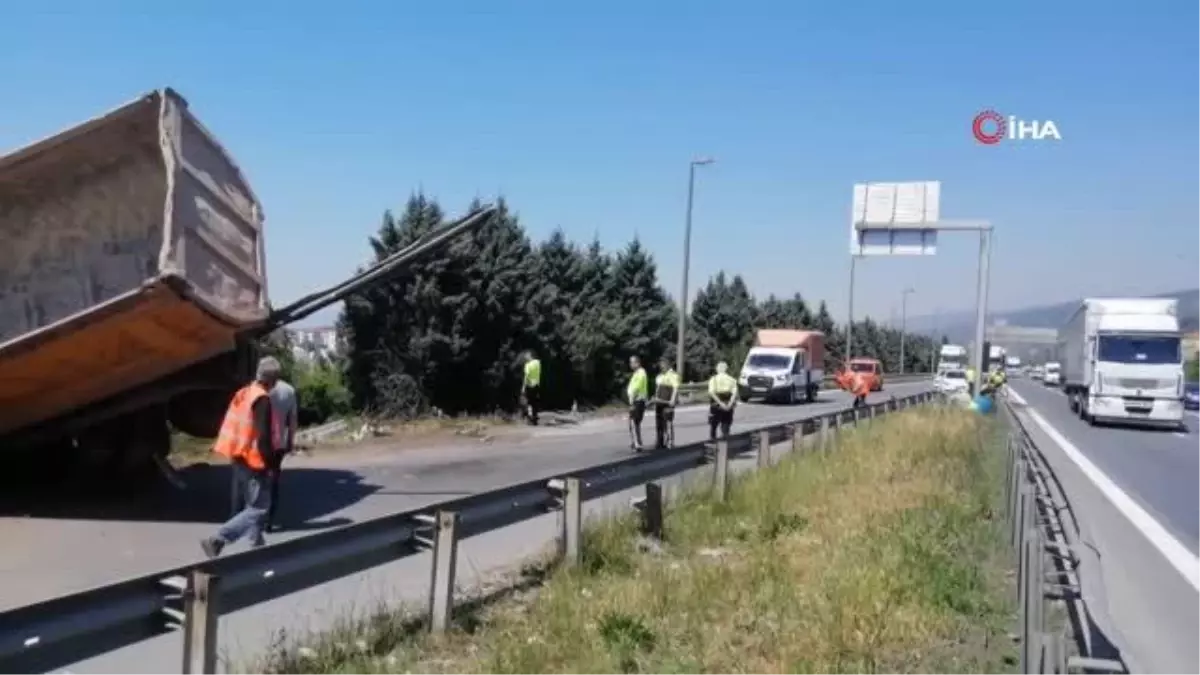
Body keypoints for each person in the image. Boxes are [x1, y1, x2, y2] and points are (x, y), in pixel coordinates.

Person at [201, 357, 281, 558]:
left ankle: (257, 547)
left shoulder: (245, 392)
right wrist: (271, 465)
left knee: (252, 504)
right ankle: (217, 539)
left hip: (238, 456)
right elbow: (263, 438)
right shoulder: (262, 399)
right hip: (254, 460)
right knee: (260, 508)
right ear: (273, 380)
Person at [265, 376, 298, 533]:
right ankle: (269, 521)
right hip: (278, 444)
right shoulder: (289, 390)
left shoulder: (257, 388)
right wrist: (291, 441)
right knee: (273, 481)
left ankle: (251, 517)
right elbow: (292, 420)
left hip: (258, 442)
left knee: (256, 479)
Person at [653, 357, 681, 449]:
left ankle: (670, 441)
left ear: (668, 365)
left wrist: (673, 400)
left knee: (668, 421)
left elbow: (675, 387)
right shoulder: (660, 376)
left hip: (668, 401)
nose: (662, 366)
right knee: (659, 422)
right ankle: (660, 441)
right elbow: (657, 389)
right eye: (661, 364)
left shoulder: (673, 375)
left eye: (663, 364)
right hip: (659, 402)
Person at [707, 361, 738, 440]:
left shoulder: (713, 379)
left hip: (716, 405)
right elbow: (734, 393)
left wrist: (720, 403)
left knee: (713, 426)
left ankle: (713, 440)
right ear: (726, 369)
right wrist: (729, 404)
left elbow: (712, 393)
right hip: (728, 403)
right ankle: (725, 442)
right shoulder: (732, 379)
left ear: (717, 369)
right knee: (726, 425)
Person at [627, 355, 649, 451]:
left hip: (637, 400)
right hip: (636, 400)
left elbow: (637, 386)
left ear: (637, 363)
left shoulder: (641, 372)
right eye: (630, 362)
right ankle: (636, 442)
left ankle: (637, 443)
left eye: (632, 362)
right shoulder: (636, 373)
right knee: (634, 422)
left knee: (634, 422)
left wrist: (632, 398)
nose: (631, 364)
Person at [521, 350, 542, 426]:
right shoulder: (537, 362)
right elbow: (539, 372)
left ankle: (530, 418)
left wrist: (523, 387)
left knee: (529, 402)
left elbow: (526, 376)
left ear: (529, 356)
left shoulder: (528, 365)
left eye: (526, 357)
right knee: (535, 402)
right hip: (537, 384)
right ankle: (535, 418)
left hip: (529, 385)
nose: (525, 358)